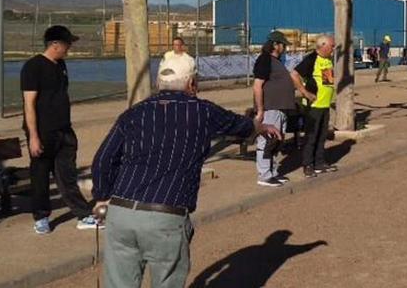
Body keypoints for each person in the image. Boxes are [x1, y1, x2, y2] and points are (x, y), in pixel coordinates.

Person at [92, 53, 272, 288]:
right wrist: (259, 126)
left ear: (158, 83)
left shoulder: (133, 114)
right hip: (165, 215)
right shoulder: (203, 111)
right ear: (192, 83)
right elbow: (241, 126)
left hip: (121, 213)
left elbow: (103, 159)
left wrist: (102, 197)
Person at [21, 26, 100, 235]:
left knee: (67, 174)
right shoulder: (33, 67)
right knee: (40, 175)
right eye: (67, 44)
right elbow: (29, 103)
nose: (69, 48)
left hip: (64, 130)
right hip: (43, 131)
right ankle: (41, 217)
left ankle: (83, 214)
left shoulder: (61, 65)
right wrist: (34, 137)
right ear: (55, 44)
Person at [252, 31, 296, 188]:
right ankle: (264, 175)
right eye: (283, 45)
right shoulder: (265, 60)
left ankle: (273, 172)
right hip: (270, 108)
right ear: (275, 45)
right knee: (268, 141)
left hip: (280, 108)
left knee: (277, 141)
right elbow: (257, 86)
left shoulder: (276, 61)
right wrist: (261, 109)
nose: (284, 48)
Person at [292, 36, 338, 177]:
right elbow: (294, 74)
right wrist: (305, 92)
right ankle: (308, 165)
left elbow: (326, 81)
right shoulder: (311, 59)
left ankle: (319, 163)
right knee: (311, 137)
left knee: (322, 135)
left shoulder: (328, 60)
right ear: (323, 45)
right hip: (314, 107)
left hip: (325, 105)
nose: (334, 48)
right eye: (332, 45)